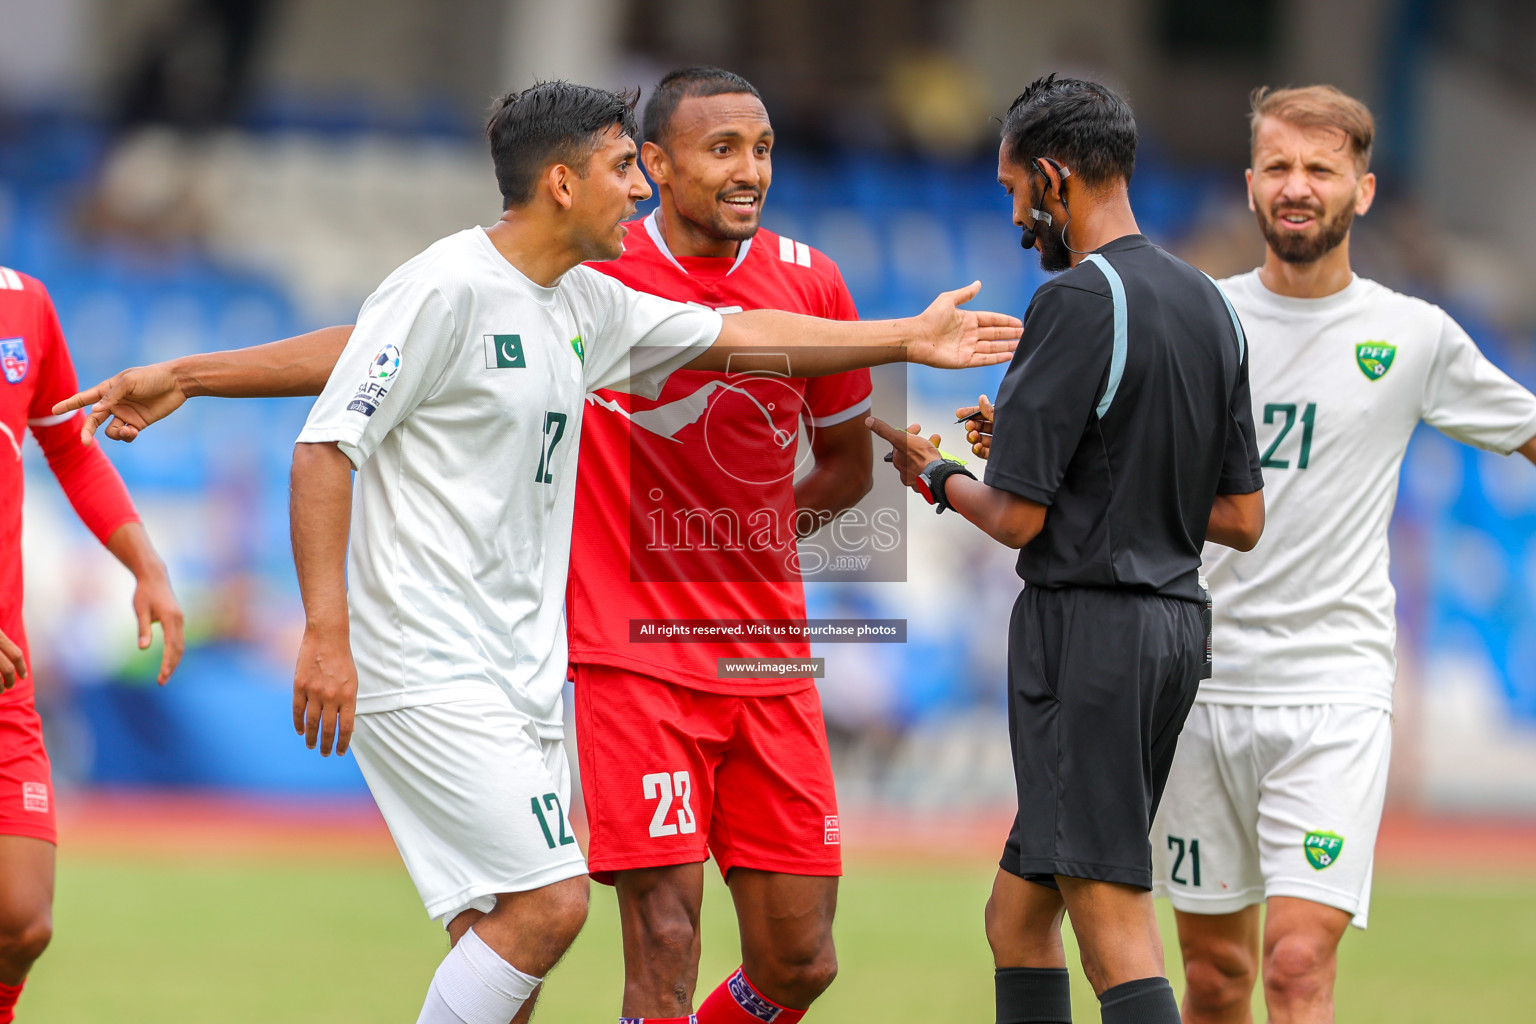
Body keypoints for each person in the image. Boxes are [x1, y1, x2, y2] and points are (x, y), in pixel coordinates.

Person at [54, 81, 1019, 1024]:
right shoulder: (502, 277)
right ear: (595, 175)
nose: (736, 173)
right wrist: (322, 626)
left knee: (625, 951)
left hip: (586, 662)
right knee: (574, 912)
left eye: (761, 147)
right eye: (698, 153)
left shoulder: (601, 303)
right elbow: (345, 404)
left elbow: (744, 341)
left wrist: (905, 339)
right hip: (523, 659)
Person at [869, 74, 1264, 1024]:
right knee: (1018, 917)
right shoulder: (1214, 305)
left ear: (1053, 177)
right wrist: (1081, 473)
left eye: (1015, 192)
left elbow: (1013, 520)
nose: (1015, 217)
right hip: (1172, 631)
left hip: (1089, 636)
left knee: (1110, 920)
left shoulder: (1078, 301)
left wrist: (932, 469)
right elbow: (1241, 516)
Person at [1146, 86, 1536, 1024]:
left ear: (1361, 191)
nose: (1297, 187)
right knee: (1214, 977)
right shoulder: (1198, 318)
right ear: (1249, 186)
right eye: (1279, 167)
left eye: (1321, 169)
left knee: (1293, 962)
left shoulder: (1414, 336)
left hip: (1333, 690)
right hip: (1198, 684)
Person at [572, 68, 868, 1024]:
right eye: (723, 150)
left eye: (763, 148)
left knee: (801, 961)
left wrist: (748, 540)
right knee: (664, 937)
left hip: (766, 658)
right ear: (653, 165)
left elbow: (849, 468)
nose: (750, 171)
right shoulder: (592, 281)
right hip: (632, 659)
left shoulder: (814, 281)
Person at [0, 267, 183, 1023]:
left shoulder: (24, 302)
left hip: (6, 671)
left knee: (23, 921)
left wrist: (147, 566)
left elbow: (71, 449)